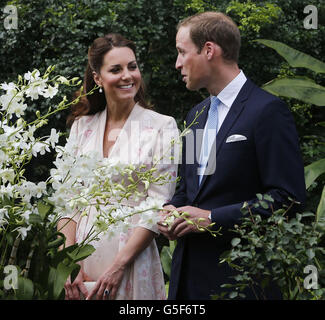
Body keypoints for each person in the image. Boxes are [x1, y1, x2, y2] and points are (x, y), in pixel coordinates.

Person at [158, 11, 306, 300]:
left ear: (209, 50)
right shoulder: (196, 115)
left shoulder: (267, 112)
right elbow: (189, 191)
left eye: (181, 52)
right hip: (187, 280)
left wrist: (213, 217)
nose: (177, 64)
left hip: (242, 282)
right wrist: (169, 211)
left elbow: (288, 199)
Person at [57, 33, 179, 300]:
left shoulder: (162, 127)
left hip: (131, 261)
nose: (127, 76)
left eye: (132, 67)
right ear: (98, 78)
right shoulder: (82, 127)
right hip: (83, 260)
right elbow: (67, 200)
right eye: (116, 69)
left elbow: (156, 204)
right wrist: (69, 260)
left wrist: (118, 266)